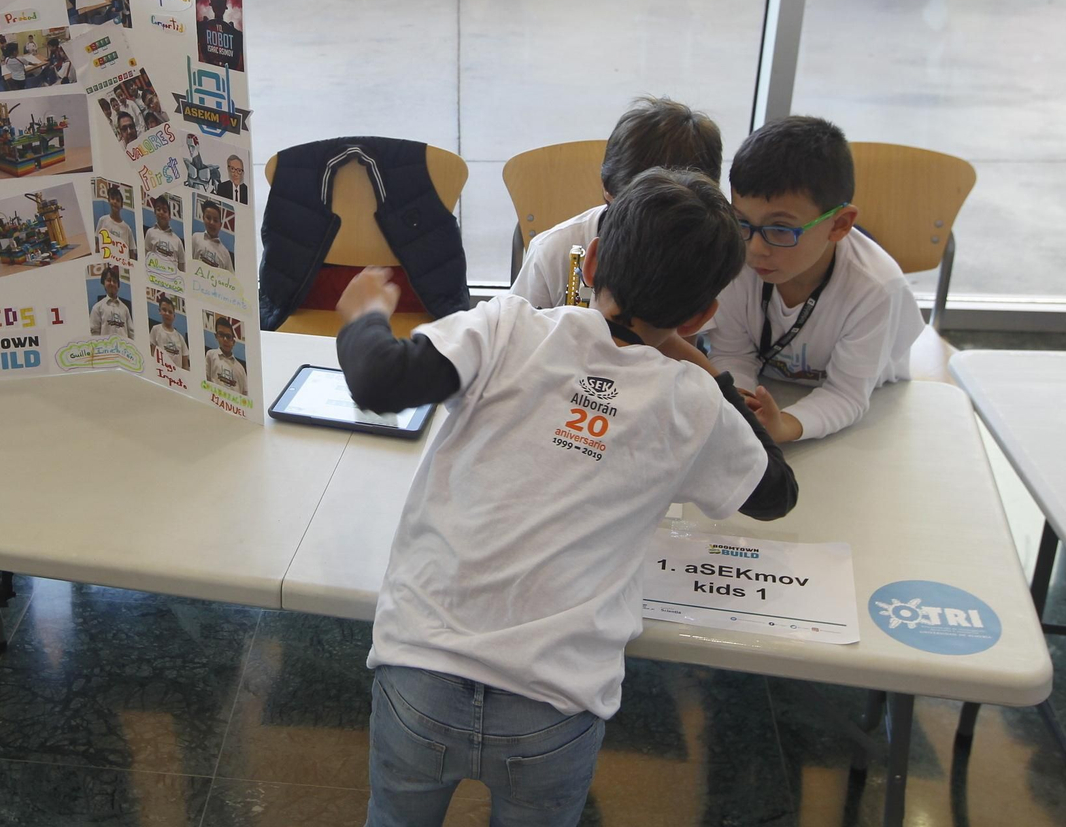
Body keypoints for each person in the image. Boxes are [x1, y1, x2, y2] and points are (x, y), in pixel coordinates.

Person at [335, 168, 796, 827]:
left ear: (595, 258)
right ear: (702, 315)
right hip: (555, 700)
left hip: (421, 667)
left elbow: (380, 377)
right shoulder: (691, 402)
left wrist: (365, 317)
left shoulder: (509, 328)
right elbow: (775, 493)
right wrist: (707, 369)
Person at [707, 116, 923, 442]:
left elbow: (847, 395)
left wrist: (782, 427)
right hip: (773, 394)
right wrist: (742, 407)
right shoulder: (736, 262)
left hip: (868, 412)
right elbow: (733, 354)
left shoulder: (876, 289)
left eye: (780, 229)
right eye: (742, 223)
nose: (756, 249)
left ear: (839, 224)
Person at [511, 96, 722, 309]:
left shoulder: (707, 249)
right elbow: (516, 335)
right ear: (607, 188)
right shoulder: (554, 252)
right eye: (636, 214)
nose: (652, 233)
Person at [88, 265, 135, 340]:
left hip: (123, 350)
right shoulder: (97, 307)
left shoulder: (125, 309)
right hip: (105, 350)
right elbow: (94, 334)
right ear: (104, 283)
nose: (112, 283)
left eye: (115, 281)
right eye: (109, 280)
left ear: (118, 286)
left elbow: (131, 334)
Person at [205, 317, 248, 395]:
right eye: (221, 334)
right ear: (216, 336)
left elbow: (244, 394)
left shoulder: (241, 369)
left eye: (228, 336)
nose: (225, 339)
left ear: (234, 342)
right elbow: (205, 380)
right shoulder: (210, 355)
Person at [95, 184, 137, 261]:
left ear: (122, 205)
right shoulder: (103, 220)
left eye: (118, 200)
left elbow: (131, 255)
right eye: (113, 198)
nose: (115, 202)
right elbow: (98, 246)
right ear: (109, 200)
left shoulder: (127, 229)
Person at [143, 194, 185, 271]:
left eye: (165, 211)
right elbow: (145, 257)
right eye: (158, 209)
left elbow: (182, 267)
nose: (161, 212)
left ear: (170, 216)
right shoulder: (150, 232)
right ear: (155, 213)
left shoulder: (177, 241)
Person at [191, 199, 234, 271]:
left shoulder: (225, 253)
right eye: (208, 218)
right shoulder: (196, 238)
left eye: (215, 220)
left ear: (220, 225)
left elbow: (230, 279)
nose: (211, 222)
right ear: (203, 218)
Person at [149, 294, 190, 370]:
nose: (167, 313)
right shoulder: (155, 329)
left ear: (174, 316)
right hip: (160, 371)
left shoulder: (180, 337)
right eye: (164, 310)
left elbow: (185, 365)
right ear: (160, 311)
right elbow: (152, 355)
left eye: (170, 312)